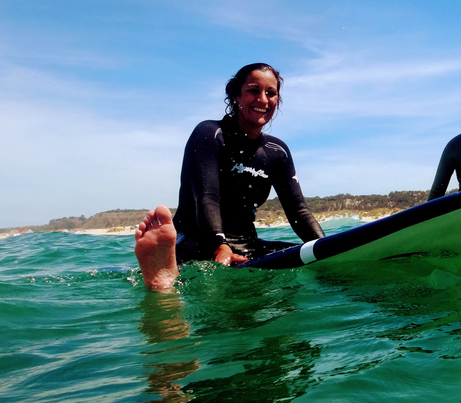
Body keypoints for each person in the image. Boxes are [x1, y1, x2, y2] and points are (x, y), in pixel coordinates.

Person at [136, 63, 324, 290]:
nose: (263, 100)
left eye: (271, 93)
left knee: (301, 256)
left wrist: (325, 247)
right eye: (254, 90)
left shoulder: (277, 152)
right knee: (212, 271)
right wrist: (219, 245)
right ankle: (165, 271)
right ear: (236, 95)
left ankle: (170, 275)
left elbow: (298, 212)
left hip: (246, 245)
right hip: (199, 240)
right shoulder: (211, 134)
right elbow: (208, 196)